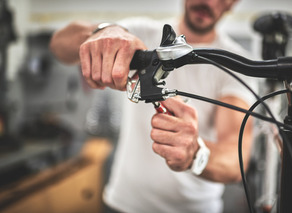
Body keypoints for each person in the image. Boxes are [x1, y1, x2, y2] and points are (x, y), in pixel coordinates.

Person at [50, 0, 256, 212]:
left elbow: (235, 160)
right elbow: (58, 44)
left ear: (233, 4)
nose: (209, 1)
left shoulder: (236, 65)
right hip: (122, 204)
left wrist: (194, 152)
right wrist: (103, 31)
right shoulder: (140, 33)